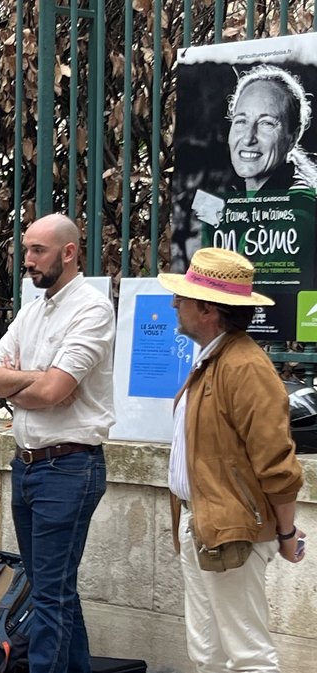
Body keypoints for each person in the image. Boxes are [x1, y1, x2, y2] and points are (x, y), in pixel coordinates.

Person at [158, 247, 305, 672]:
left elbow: (277, 463)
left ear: (207, 309)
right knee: (207, 652)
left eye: (183, 298)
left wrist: (287, 532)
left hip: (231, 528)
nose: (174, 304)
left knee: (248, 655)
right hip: (206, 523)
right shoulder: (215, 359)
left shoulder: (244, 366)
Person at [0, 213, 114, 673]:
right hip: (28, 464)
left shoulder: (92, 309)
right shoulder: (32, 308)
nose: (27, 261)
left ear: (69, 252)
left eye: (38, 250)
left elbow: (57, 393)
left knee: (50, 595)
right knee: (51, 588)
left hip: (69, 467)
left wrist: (25, 383)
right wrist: (37, 377)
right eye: (25, 250)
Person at [226, 65, 317, 194]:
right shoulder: (230, 193)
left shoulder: (298, 204)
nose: (248, 139)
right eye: (241, 121)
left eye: (267, 123)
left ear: (294, 138)